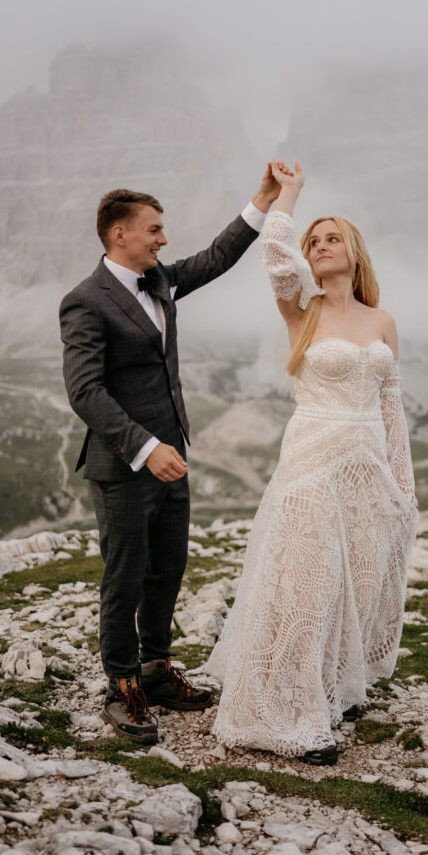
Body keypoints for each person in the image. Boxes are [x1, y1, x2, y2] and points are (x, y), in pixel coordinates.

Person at [59, 166, 282, 744]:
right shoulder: (85, 302)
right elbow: (85, 391)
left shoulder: (158, 280)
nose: (163, 240)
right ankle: (122, 684)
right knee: (125, 576)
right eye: (154, 230)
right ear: (119, 234)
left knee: (168, 570)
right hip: (125, 465)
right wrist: (144, 447)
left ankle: (155, 670)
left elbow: (215, 258)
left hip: (172, 460)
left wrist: (261, 200)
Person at [207, 162, 419, 765]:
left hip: (366, 470)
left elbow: (391, 410)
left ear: (353, 251)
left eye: (332, 238)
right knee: (307, 583)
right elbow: (275, 252)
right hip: (311, 461)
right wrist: (290, 194)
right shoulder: (301, 309)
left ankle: (325, 687)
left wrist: (404, 488)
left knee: (352, 583)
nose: (320, 246)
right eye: (314, 241)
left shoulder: (383, 322)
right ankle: (282, 716)